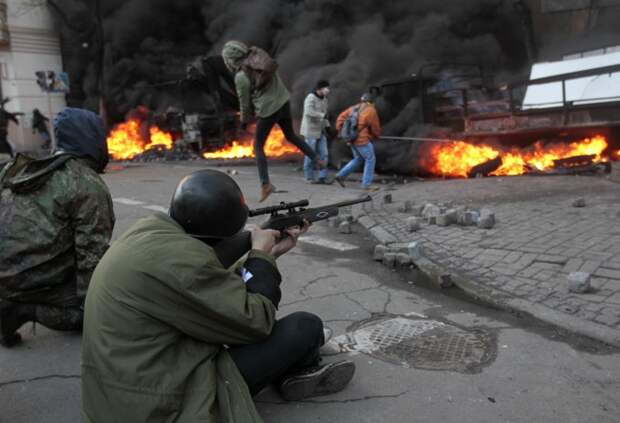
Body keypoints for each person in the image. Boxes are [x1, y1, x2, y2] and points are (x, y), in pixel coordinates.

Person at [81, 169, 355, 422]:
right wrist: (260, 257)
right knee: (304, 326)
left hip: (120, 390)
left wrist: (268, 251)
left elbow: (206, 284)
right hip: (157, 404)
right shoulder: (181, 263)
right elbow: (256, 322)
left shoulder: (151, 234)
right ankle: (298, 369)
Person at [0, 108, 115, 347]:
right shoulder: (86, 183)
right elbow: (91, 256)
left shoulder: (21, 169)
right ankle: (24, 309)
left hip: (5, 275)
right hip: (33, 281)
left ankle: (9, 302)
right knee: (118, 298)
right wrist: (94, 310)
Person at [221, 40, 326, 202]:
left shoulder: (241, 76)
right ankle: (316, 158)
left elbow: (244, 102)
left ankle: (265, 185)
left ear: (231, 59)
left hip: (269, 108)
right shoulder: (260, 56)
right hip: (284, 100)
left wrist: (244, 120)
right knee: (290, 135)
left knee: (258, 146)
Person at [331, 93, 381, 192]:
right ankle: (366, 185)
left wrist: (342, 132)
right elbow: (375, 128)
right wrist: (376, 136)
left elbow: (340, 118)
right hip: (362, 140)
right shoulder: (371, 110)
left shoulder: (353, 108)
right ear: (371, 102)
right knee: (370, 159)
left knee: (358, 159)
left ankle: (340, 176)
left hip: (351, 139)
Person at [300, 80, 331, 184]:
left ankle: (322, 177)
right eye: (326, 87)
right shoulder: (311, 98)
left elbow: (325, 114)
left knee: (324, 154)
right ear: (319, 89)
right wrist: (322, 116)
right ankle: (309, 177)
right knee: (310, 154)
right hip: (310, 131)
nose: (328, 90)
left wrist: (328, 127)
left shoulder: (325, 100)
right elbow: (308, 112)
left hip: (321, 131)